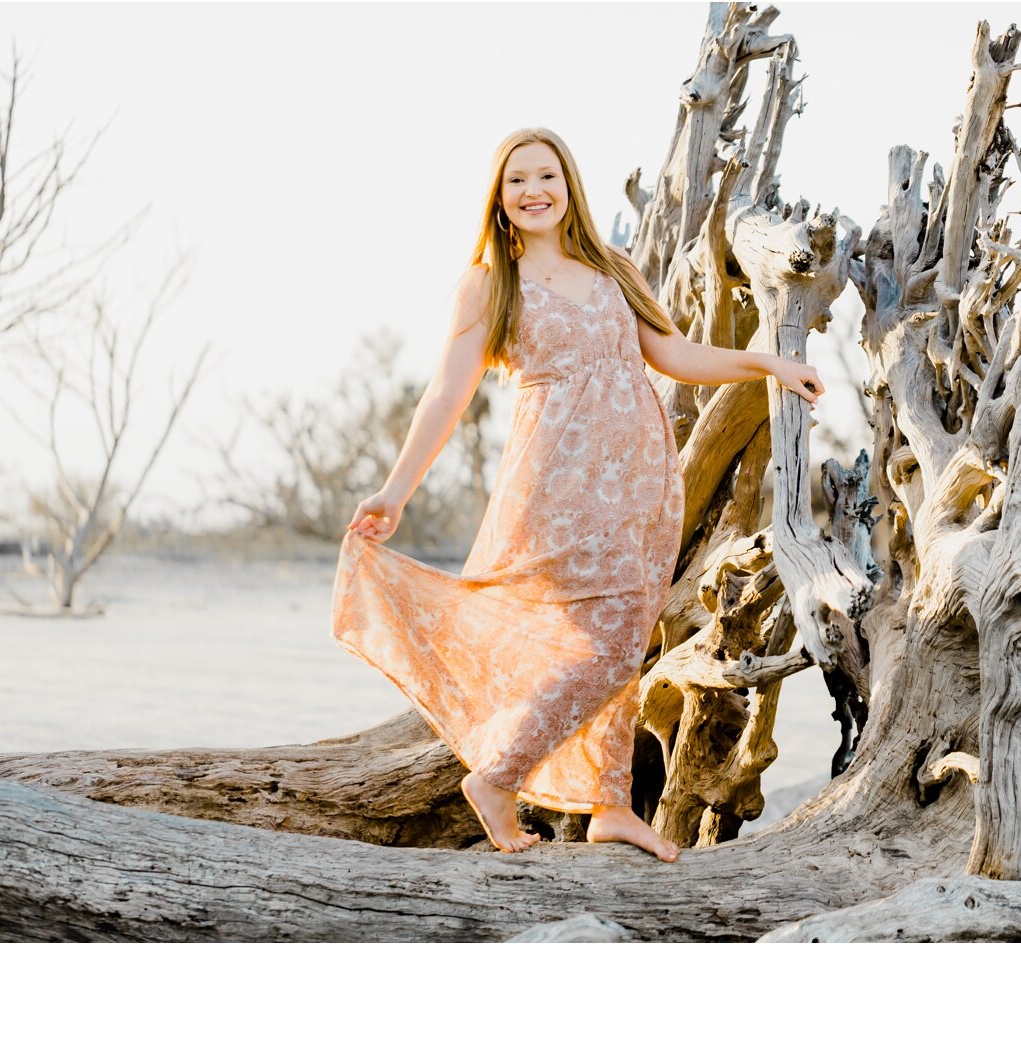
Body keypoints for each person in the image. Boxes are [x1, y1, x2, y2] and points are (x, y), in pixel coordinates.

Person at [332, 128, 823, 861]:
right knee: (603, 646)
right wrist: (395, 490)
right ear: (499, 200)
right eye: (517, 181)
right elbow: (447, 392)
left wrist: (764, 361)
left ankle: (610, 803)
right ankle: (498, 777)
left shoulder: (613, 268)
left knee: (625, 636)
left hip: (637, 487)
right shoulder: (490, 282)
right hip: (555, 483)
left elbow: (673, 354)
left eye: (547, 177)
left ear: (570, 188)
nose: (534, 191)